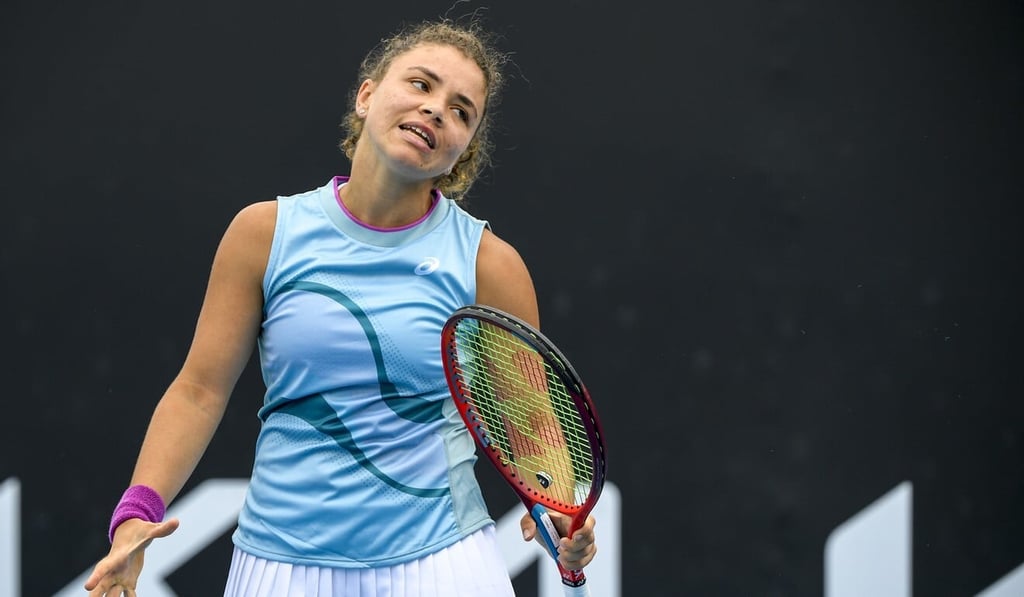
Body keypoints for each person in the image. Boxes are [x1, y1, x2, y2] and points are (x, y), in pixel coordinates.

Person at [83, 16, 598, 597]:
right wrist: (134, 516)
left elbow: (533, 442)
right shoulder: (263, 234)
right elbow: (199, 391)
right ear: (366, 94)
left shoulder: (490, 265)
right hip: (279, 566)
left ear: (461, 155)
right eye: (421, 85)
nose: (435, 111)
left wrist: (559, 519)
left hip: (442, 564)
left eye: (461, 111)